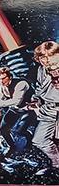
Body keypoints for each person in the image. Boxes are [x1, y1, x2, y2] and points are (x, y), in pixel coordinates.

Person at [32, 41, 59, 169]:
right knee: (39, 140)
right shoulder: (41, 70)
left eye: (51, 56)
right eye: (43, 57)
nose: (46, 60)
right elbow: (39, 87)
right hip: (48, 109)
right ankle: (57, 163)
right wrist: (36, 99)